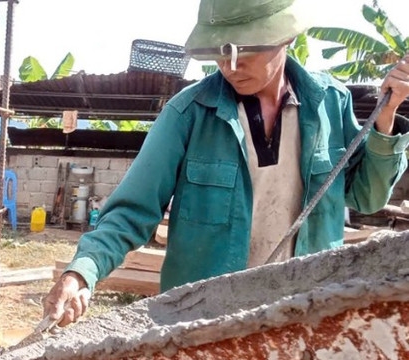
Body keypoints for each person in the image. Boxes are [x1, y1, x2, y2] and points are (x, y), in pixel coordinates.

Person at [43, 0, 409, 327]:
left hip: (307, 316)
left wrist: (386, 115)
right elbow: (131, 212)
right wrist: (81, 274)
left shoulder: (330, 103)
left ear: (286, 38)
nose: (230, 66)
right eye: (219, 53)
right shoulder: (187, 114)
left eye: (244, 50)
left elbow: (367, 199)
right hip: (206, 325)